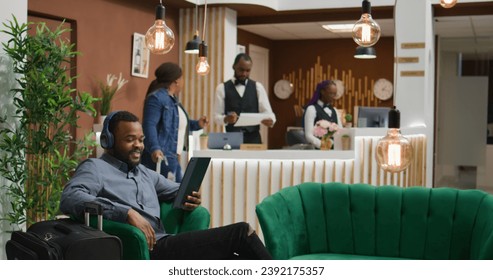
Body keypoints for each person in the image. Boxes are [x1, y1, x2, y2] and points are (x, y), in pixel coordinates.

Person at [60, 111, 272, 260]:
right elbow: (70, 197)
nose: (138, 145)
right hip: (147, 248)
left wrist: (191, 196)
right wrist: (126, 213)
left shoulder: (145, 173)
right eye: (130, 139)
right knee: (241, 232)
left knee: (238, 262)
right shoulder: (96, 168)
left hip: (167, 242)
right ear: (108, 141)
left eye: (141, 139)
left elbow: (177, 190)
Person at [141, 62, 208, 182]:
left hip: (172, 157)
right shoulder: (156, 98)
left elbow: (176, 126)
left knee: (177, 194)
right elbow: (149, 125)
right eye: (182, 78)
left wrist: (197, 124)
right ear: (176, 80)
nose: (183, 82)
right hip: (162, 157)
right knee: (174, 195)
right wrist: (155, 148)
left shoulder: (173, 100)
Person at [213, 53, 276, 144]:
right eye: (241, 70)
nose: (244, 74)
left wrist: (271, 121)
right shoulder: (222, 88)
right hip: (231, 140)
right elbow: (216, 117)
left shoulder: (258, 87)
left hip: (254, 140)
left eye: (248, 71)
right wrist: (226, 119)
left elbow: (270, 114)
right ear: (234, 66)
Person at [303, 80, 342, 149]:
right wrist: (323, 146)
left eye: (334, 94)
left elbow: (341, 131)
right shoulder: (311, 109)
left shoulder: (335, 110)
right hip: (317, 151)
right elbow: (308, 135)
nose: (333, 97)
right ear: (322, 92)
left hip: (334, 150)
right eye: (331, 93)